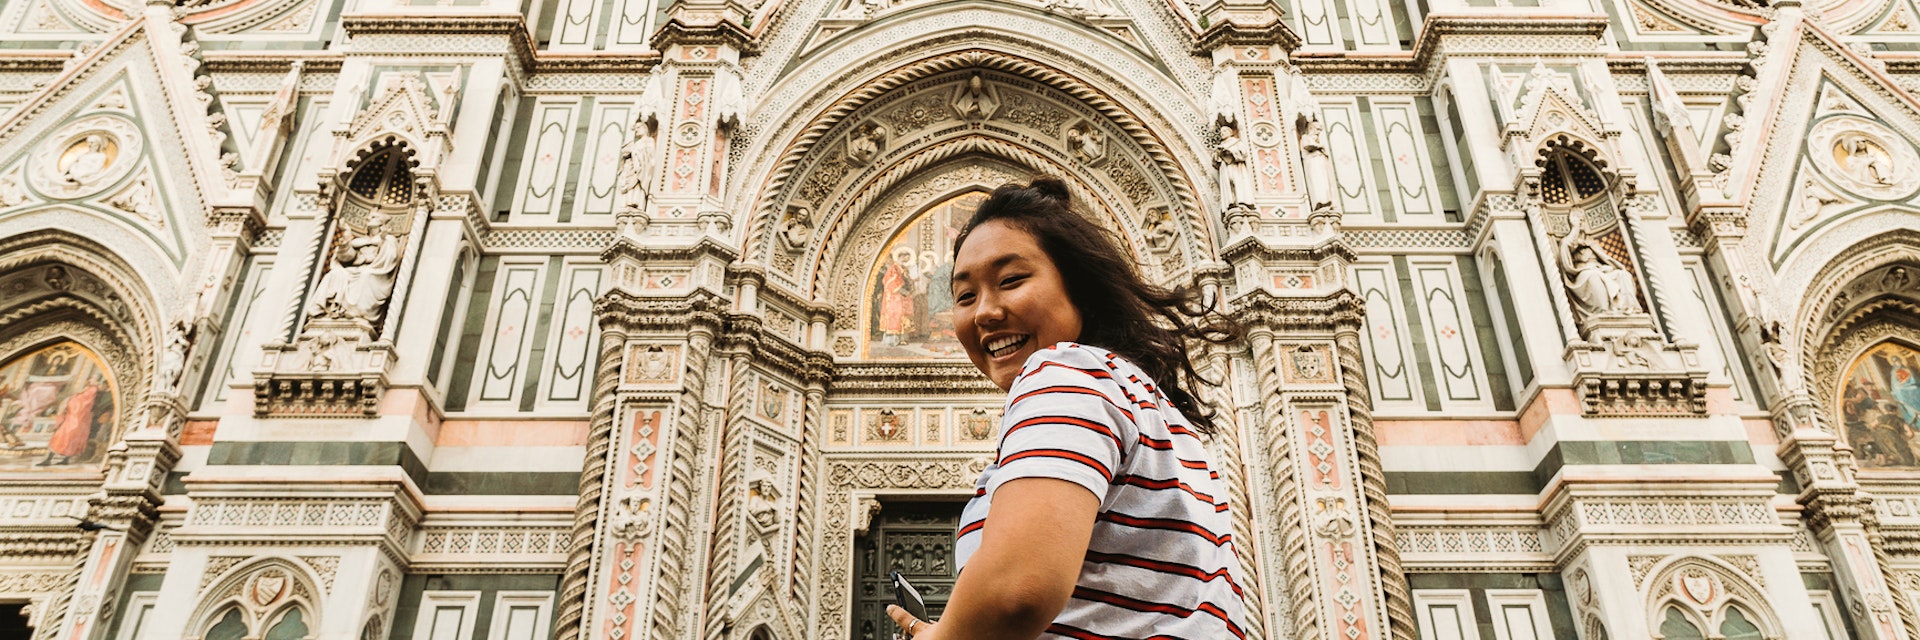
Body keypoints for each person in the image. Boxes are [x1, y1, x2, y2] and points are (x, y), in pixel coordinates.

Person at [887, 177, 1246, 639]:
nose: (984, 312)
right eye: (963, 296)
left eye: (1011, 280)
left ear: (1079, 286)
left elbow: (1015, 590)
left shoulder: (1064, 371)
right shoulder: (1151, 406)